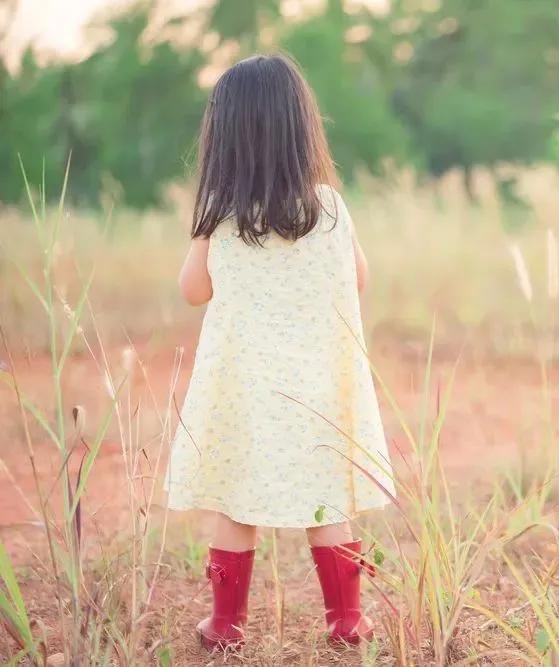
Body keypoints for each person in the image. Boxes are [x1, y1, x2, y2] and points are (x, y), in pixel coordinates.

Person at [164, 53, 395, 651]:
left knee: (234, 501)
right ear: (303, 128)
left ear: (224, 136)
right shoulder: (330, 209)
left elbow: (193, 291)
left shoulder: (221, 216)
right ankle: (346, 620)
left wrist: (202, 228)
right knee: (326, 500)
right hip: (318, 388)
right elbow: (360, 278)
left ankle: (227, 625)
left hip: (245, 391)